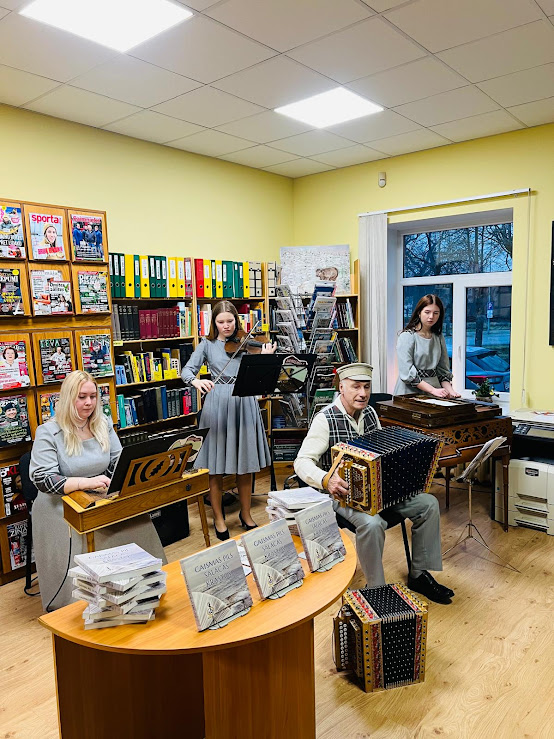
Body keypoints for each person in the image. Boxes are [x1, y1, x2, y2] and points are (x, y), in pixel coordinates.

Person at [294, 362, 455, 604]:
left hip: (380, 492)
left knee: (428, 504)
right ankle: (376, 589)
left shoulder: (369, 413)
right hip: (341, 495)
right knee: (372, 523)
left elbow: (382, 452)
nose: (363, 393)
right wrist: (327, 480)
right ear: (341, 387)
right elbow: (301, 462)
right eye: (356, 387)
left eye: (367, 387)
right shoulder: (325, 419)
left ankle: (419, 574)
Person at [30, 370, 165, 611]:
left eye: (93, 396)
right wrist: (86, 482)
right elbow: (43, 479)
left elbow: (117, 461)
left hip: (97, 494)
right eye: (82, 397)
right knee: (88, 534)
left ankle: (142, 588)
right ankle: (88, 603)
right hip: (60, 505)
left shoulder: (102, 424)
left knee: (137, 519)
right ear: (68, 397)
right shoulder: (48, 431)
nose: (89, 403)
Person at [181, 301, 275, 541]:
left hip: (244, 401)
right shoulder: (207, 344)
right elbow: (186, 371)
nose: (226, 326)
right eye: (221, 322)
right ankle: (219, 519)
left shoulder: (247, 343)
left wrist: (265, 359)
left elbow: (261, 377)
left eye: (230, 321)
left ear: (236, 321)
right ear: (214, 322)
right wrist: (196, 381)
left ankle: (246, 514)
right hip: (217, 405)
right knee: (215, 468)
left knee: (245, 464)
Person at [394, 294, 460, 398]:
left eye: (436, 313)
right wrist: (433, 390)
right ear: (419, 313)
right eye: (427, 312)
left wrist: (451, 391)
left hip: (435, 391)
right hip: (409, 393)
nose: (431, 317)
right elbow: (406, 372)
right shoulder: (407, 336)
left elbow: (442, 370)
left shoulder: (438, 337)